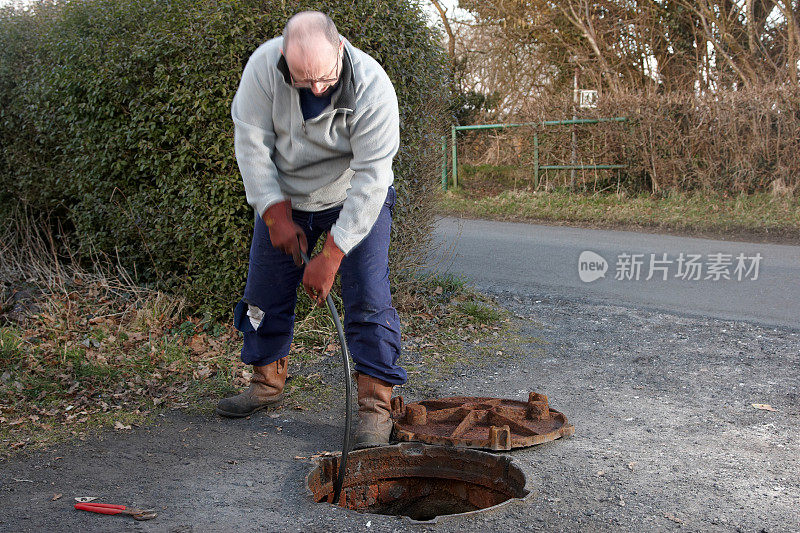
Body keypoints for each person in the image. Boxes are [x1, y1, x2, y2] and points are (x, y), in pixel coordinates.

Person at [216, 10, 406, 449]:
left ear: (340, 49)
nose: (317, 88)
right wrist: (273, 213)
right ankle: (266, 383)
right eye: (303, 81)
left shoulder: (374, 87)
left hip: (354, 195)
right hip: (288, 197)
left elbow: (373, 178)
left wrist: (333, 254)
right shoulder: (263, 69)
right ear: (284, 58)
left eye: (324, 77)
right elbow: (251, 145)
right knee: (263, 294)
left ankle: (376, 406)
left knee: (370, 298)